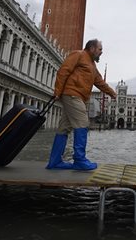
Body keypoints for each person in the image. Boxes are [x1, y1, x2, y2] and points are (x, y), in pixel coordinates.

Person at [46, 39, 117, 171]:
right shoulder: (78, 55)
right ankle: (79, 160)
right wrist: (57, 92)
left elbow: (100, 83)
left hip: (78, 97)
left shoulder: (92, 66)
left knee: (64, 128)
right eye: (100, 49)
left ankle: (54, 161)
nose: (101, 52)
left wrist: (112, 93)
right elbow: (63, 71)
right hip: (72, 94)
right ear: (92, 48)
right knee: (83, 123)